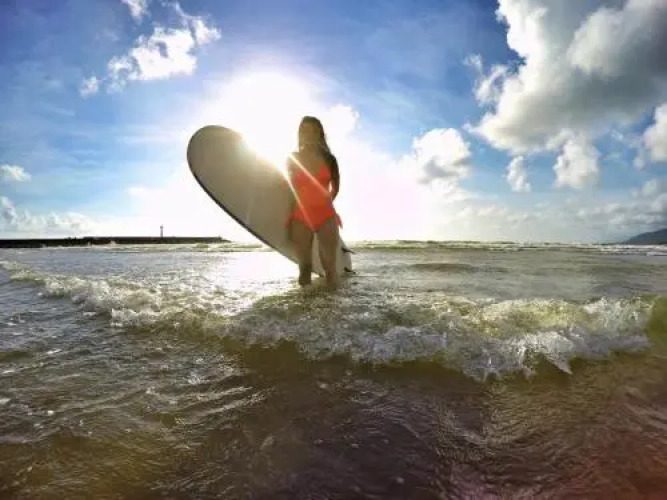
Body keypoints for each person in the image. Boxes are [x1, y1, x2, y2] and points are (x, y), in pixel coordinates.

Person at [286, 116, 342, 289]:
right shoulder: (292, 158)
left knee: (330, 268)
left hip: (326, 215)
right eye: (305, 130)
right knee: (304, 268)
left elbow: (335, 188)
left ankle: (333, 305)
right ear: (300, 134)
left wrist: (325, 204)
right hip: (301, 215)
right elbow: (286, 186)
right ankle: (306, 304)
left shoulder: (330, 159)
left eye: (313, 130)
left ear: (320, 134)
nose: (309, 134)